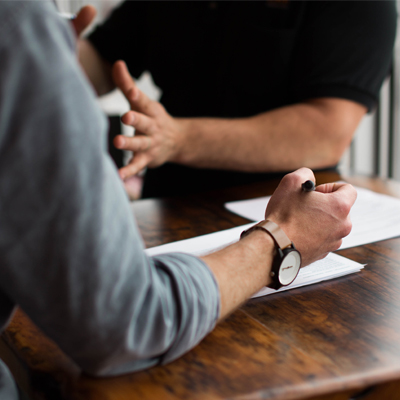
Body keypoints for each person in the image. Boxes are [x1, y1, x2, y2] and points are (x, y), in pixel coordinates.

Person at [0, 2, 357, 400]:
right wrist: (281, 240)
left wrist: (45, 54)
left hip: (304, 220)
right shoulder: (18, 23)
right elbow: (128, 321)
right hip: (170, 224)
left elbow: (329, 129)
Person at [79, 0, 397, 198]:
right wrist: (45, 52)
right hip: (168, 205)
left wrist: (176, 138)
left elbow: (326, 132)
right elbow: (104, 59)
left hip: (282, 216)